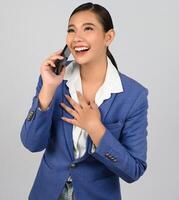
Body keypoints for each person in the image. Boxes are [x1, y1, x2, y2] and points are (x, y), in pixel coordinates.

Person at [20, 2, 149, 200]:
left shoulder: (133, 96)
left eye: (88, 28)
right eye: (71, 30)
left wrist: (95, 128)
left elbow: (134, 170)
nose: (77, 38)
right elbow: (32, 144)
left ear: (109, 36)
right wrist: (47, 89)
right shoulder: (55, 80)